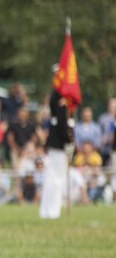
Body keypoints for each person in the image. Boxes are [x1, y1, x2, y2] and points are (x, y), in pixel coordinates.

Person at [39, 88, 74, 219]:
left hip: (54, 142)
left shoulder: (55, 97)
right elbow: (61, 124)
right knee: (56, 179)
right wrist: (68, 138)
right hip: (58, 143)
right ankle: (52, 211)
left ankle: (48, 210)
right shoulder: (59, 98)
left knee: (52, 178)